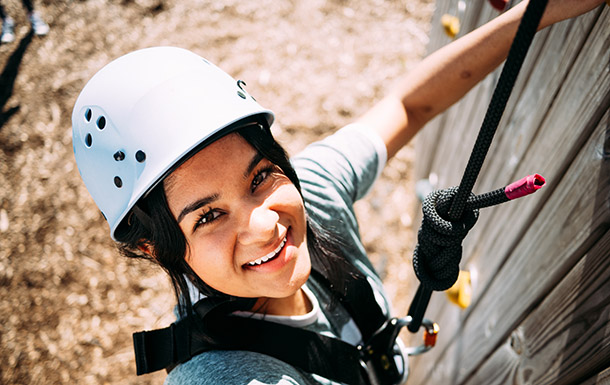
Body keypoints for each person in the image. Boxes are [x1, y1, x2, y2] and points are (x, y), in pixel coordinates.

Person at [70, 0, 603, 384]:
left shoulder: (316, 194)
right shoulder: (223, 375)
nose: (265, 223)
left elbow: (407, 106)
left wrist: (539, 13)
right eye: (208, 216)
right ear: (152, 247)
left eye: (259, 177)